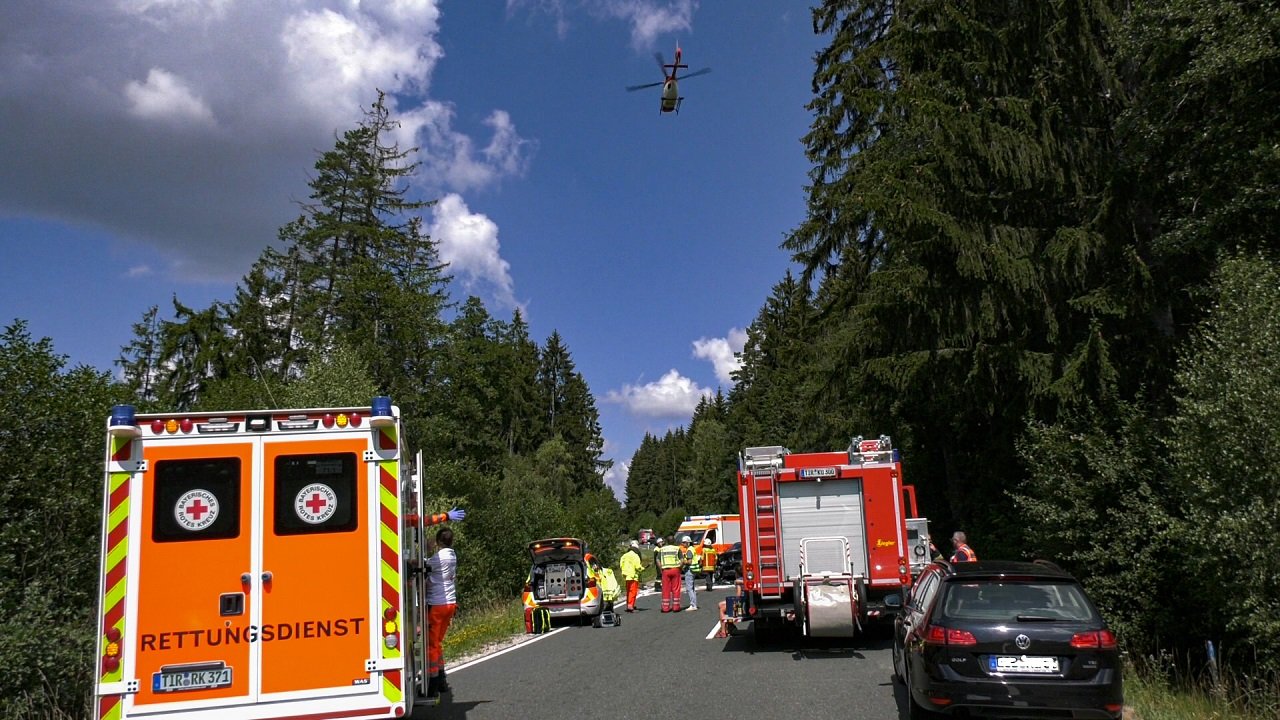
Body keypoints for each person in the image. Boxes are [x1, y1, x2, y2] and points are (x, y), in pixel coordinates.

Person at [424, 527, 458, 700]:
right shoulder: (452, 555)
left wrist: (427, 549)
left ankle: (433, 684)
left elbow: (420, 565)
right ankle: (443, 679)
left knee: (431, 645)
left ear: (438, 541)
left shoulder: (438, 557)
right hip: (450, 603)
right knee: (438, 642)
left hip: (437, 604)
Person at [657, 536, 683, 612]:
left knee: (665, 589)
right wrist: (680, 567)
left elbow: (658, 560)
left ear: (667, 541)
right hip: (675, 569)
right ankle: (676, 607)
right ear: (674, 541)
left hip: (665, 570)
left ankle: (665, 608)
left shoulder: (662, 549)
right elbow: (681, 559)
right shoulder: (677, 549)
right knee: (676, 588)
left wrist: (661, 568)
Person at [619, 540, 644, 612]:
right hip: (633, 576)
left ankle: (629, 604)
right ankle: (630, 606)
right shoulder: (635, 556)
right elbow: (638, 567)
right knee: (633, 592)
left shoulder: (624, 555)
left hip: (626, 576)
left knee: (628, 591)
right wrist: (642, 569)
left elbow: (621, 564)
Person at [679, 535, 698, 611]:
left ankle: (693, 605)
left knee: (689, 588)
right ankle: (694, 604)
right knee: (692, 588)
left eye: (684, 542)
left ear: (688, 543)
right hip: (693, 570)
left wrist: (683, 561)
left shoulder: (689, 550)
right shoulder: (692, 549)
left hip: (690, 570)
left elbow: (689, 562)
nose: (682, 544)